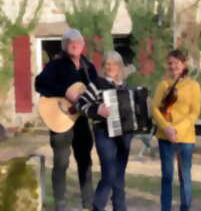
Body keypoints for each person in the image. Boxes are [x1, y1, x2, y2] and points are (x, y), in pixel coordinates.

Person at [35, 28, 98, 211]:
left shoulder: (89, 67)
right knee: (61, 163)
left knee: (85, 161)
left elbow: (96, 90)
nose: (75, 44)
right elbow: (40, 83)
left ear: (83, 45)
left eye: (78, 41)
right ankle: (60, 205)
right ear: (64, 45)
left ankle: (88, 204)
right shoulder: (56, 65)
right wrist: (64, 91)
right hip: (60, 118)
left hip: (81, 121)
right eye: (70, 41)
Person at [76, 50, 133, 211]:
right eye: (107, 63)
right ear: (103, 66)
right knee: (109, 173)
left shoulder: (125, 86)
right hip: (104, 132)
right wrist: (96, 109)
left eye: (114, 64)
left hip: (124, 134)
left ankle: (120, 208)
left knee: (119, 175)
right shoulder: (97, 84)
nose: (110, 67)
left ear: (120, 66)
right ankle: (97, 207)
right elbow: (80, 105)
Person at [152, 50, 201, 211]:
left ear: (184, 64)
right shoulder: (163, 84)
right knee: (167, 176)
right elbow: (154, 109)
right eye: (170, 63)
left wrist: (176, 130)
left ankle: (185, 207)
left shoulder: (193, 85)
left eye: (177, 63)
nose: (173, 66)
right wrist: (166, 128)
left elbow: (194, 113)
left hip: (186, 138)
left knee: (185, 176)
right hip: (164, 136)